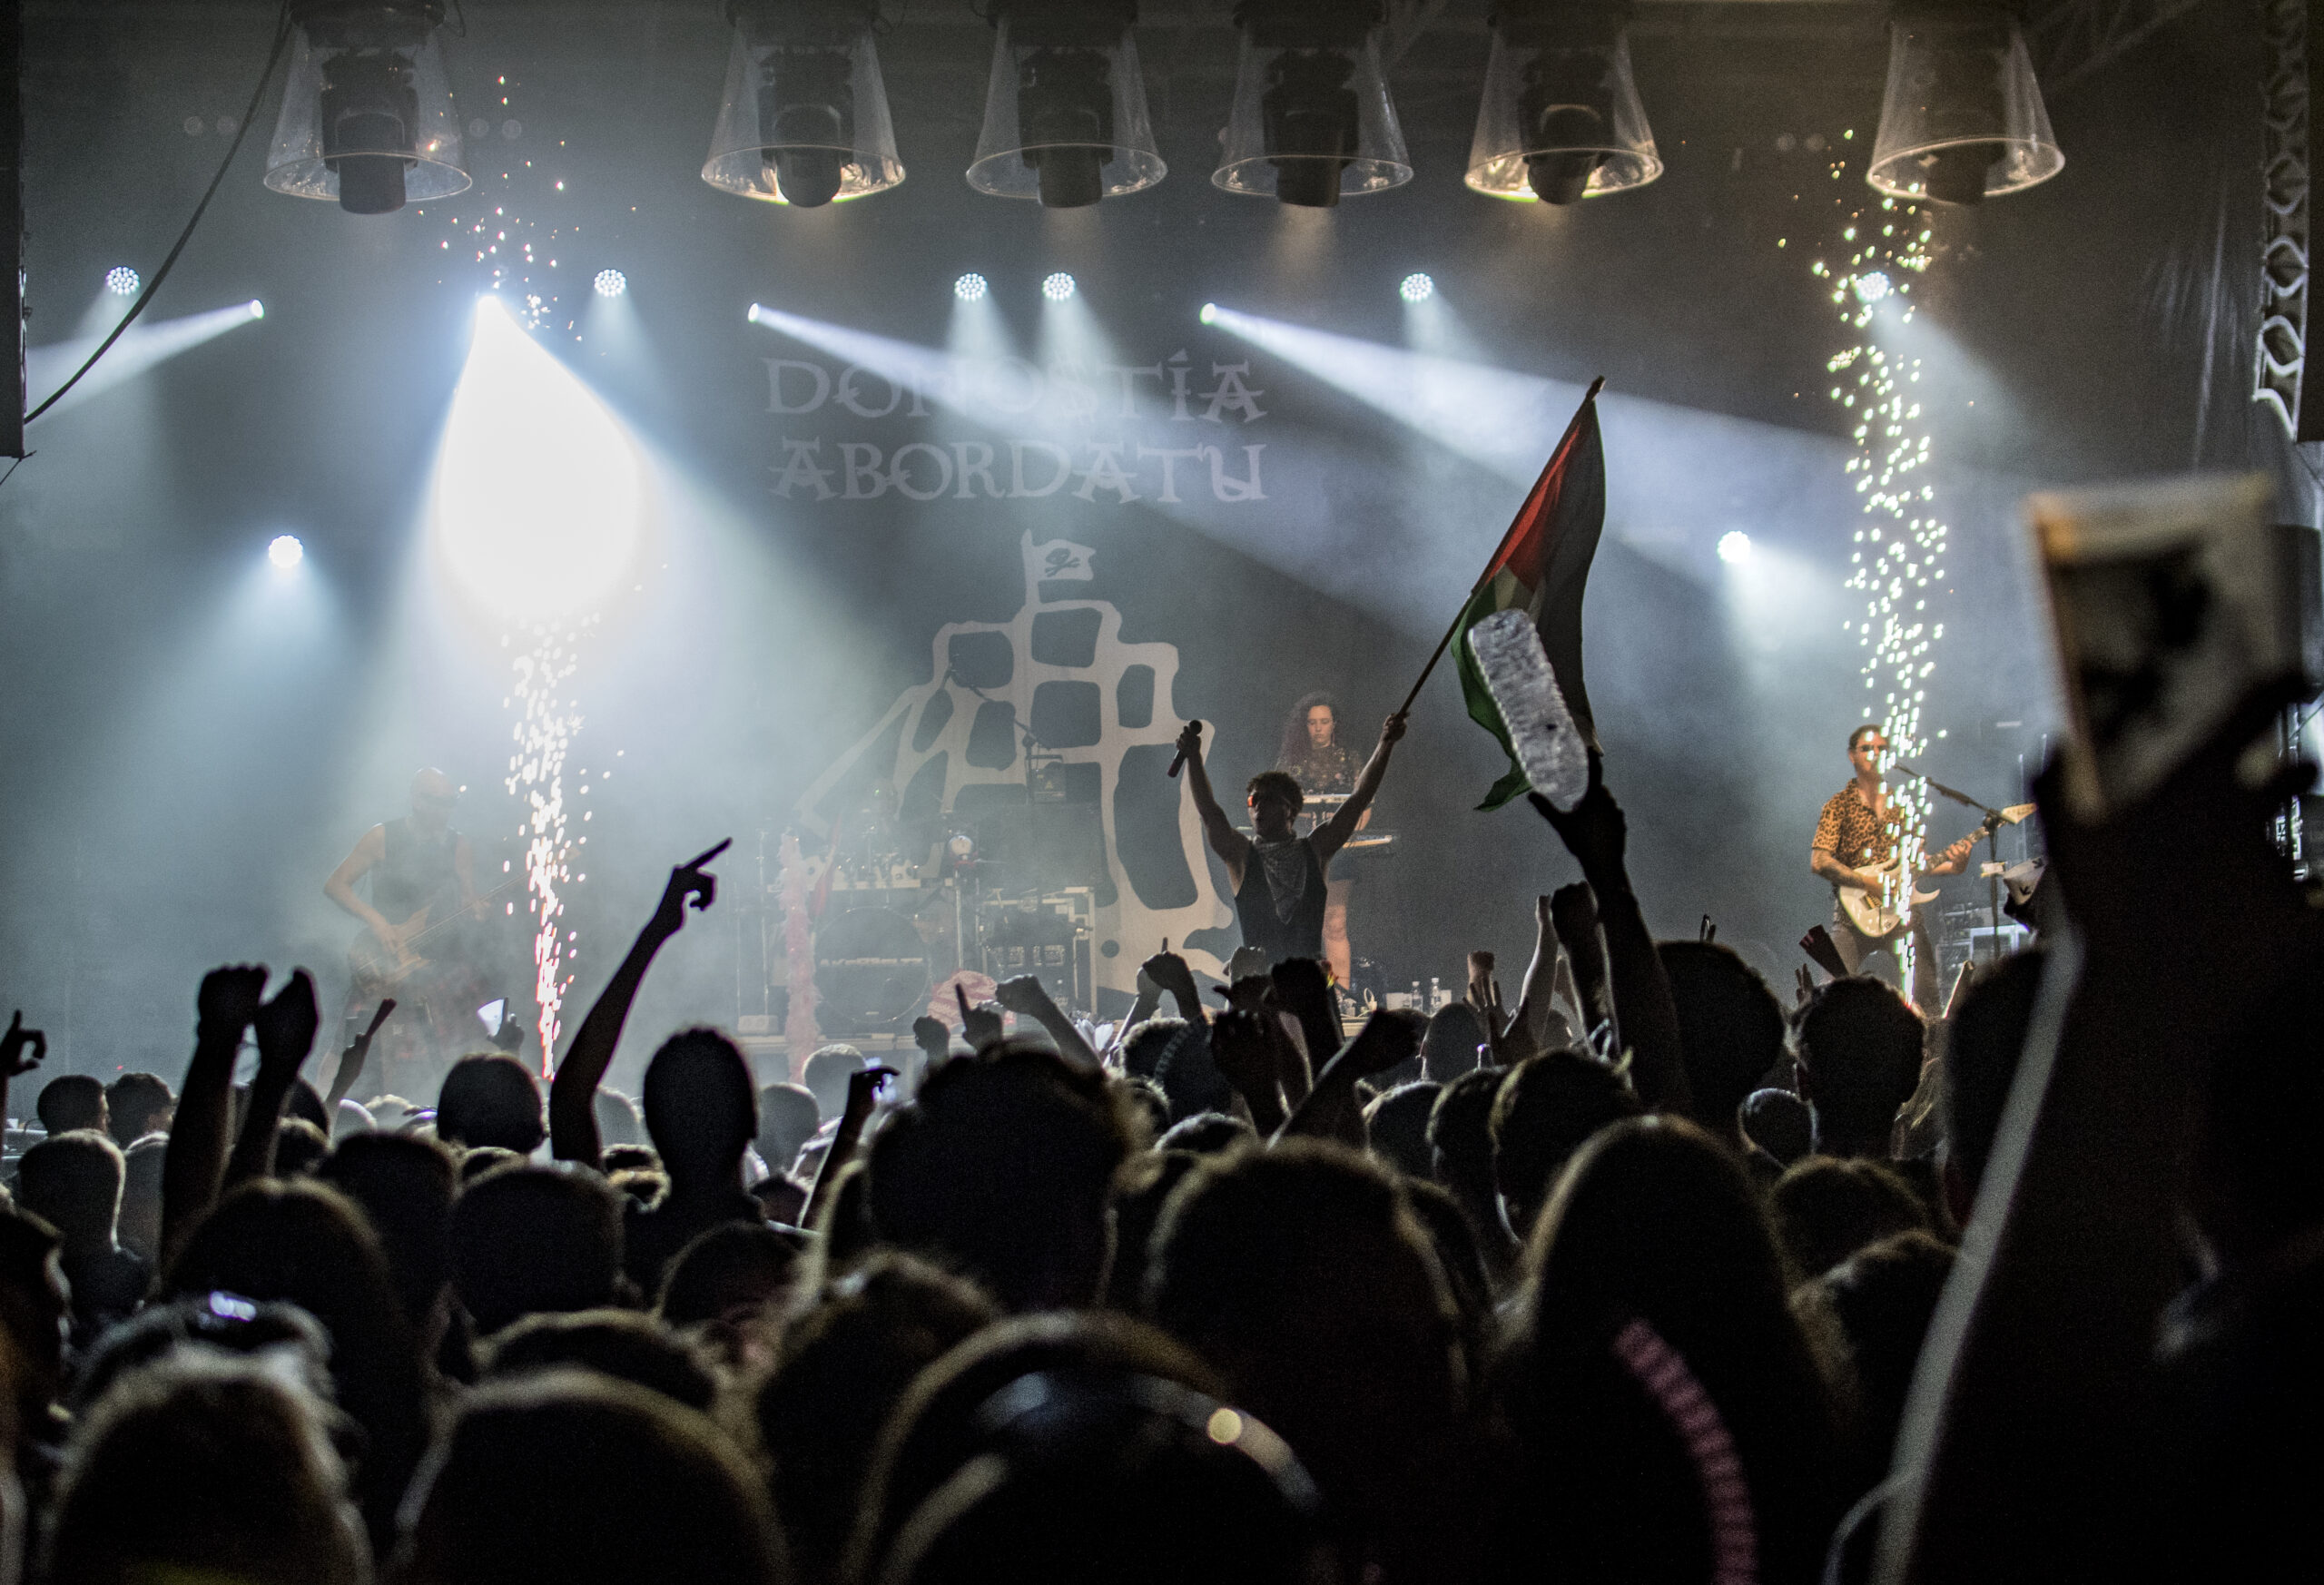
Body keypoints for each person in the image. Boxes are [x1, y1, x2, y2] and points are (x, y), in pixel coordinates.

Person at [1176, 711, 1407, 970]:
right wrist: (1193, 758)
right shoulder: (1240, 855)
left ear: (1291, 809)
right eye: (1254, 800)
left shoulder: (1316, 849)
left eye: (1268, 799)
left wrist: (1386, 744)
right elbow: (1209, 812)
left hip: (1308, 987)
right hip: (1259, 989)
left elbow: (1359, 798)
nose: (1259, 806)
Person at [325, 769, 501, 1093]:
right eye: (438, 802)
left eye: (451, 802)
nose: (445, 810)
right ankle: (323, 1109)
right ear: (417, 800)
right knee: (347, 1046)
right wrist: (376, 920)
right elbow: (336, 885)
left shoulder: (458, 845)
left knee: (469, 1042)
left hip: (437, 961)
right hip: (385, 957)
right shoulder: (382, 837)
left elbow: (467, 899)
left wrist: (478, 910)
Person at [1810, 725, 1975, 1016]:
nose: (1875, 754)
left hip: (1901, 914)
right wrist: (1867, 883)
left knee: (1927, 997)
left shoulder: (1903, 805)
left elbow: (1916, 862)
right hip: (1852, 916)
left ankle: (1929, 1040)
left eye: (1882, 749)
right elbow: (1820, 862)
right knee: (1831, 998)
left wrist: (1955, 866)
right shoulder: (1838, 806)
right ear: (1852, 756)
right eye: (1867, 748)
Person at [1275, 693, 1367, 984]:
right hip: (1301, 850)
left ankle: (1340, 994)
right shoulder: (1290, 762)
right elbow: (1274, 803)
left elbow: (1365, 803)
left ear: (1334, 724)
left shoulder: (1350, 759)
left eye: (1324, 722)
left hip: (1340, 851)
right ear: (1304, 725)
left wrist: (1352, 830)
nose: (1318, 728)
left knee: (1335, 923)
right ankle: (1301, 993)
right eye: (1312, 722)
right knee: (1301, 922)